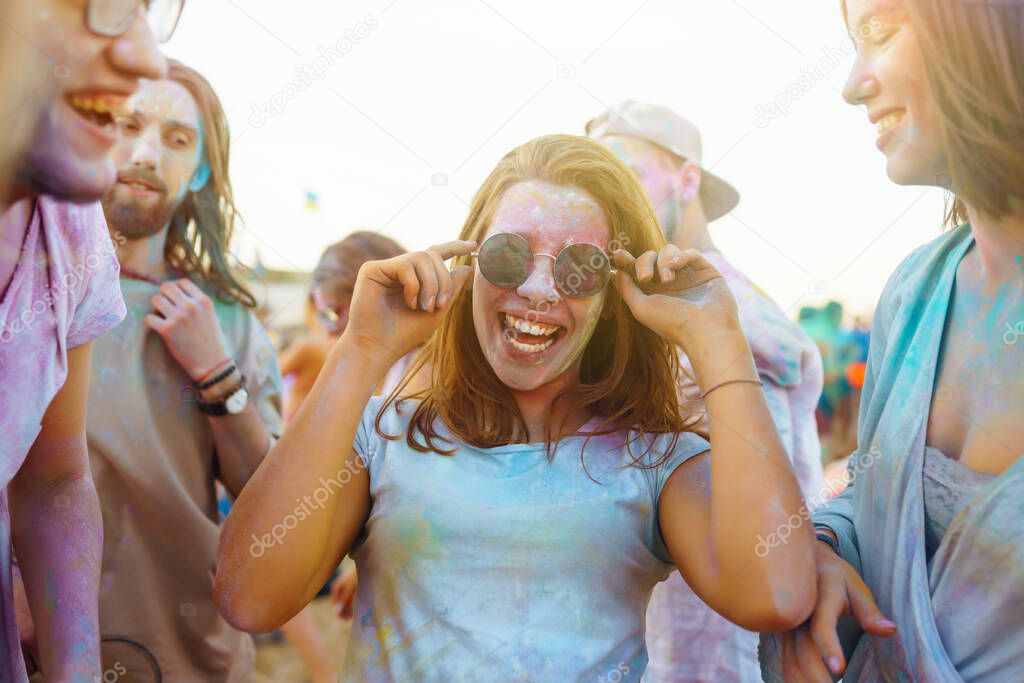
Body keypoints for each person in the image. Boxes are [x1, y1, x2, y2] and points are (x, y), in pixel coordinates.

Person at [213, 134, 817, 681]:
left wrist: (719, 342)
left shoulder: (654, 461)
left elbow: (775, 593)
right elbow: (248, 596)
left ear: (612, 293)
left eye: (581, 267)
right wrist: (360, 352)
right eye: (509, 255)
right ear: (468, 263)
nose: (537, 289)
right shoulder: (384, 439)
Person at [762, 1, 1024, 680]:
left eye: (879, 34)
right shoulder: (913, 291)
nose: (852, 85)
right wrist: (821, 551)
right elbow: (874, 489)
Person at [587, 102, 824, 682]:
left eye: (626, 174)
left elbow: (766, 524)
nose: (611, 201)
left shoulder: (727, 311)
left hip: (717, 638)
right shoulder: (654, 299)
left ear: (686, 178)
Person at [0, 1, 173, 679]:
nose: (146, 57)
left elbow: (53, 477)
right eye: (94, 4)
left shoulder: (69, 232)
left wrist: (75, 668)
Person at [91, 60, 281, 680]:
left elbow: (272, 506)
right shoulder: (22, 293)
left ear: (199, 169)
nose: (147, 153)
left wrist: (218, 376)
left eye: (177, 139)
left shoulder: (229, 321)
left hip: (190, 654)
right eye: (127, 124)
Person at [275, 232, 406, 683]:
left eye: (336, 312)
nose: (330, 327)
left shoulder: (409, 371)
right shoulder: (376, 367)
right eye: (323, 312)